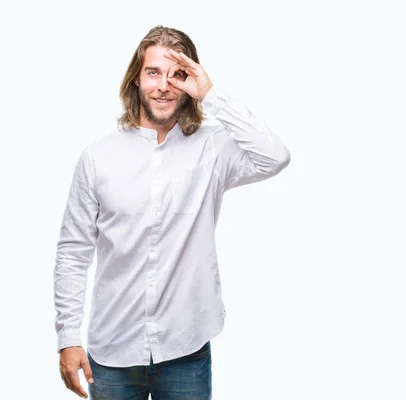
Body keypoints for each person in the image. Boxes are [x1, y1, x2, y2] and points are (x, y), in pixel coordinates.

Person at [54, 25, 290, 399]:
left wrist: (211, 95)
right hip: (112, 352)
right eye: (153, 73)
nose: (163, 85)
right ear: (136, 79)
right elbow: (73, 250)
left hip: (186, 351)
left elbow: (275, 156)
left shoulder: (213, 149)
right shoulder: (98, 157)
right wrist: (68, 337)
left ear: (190, 82)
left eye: (177, 75)